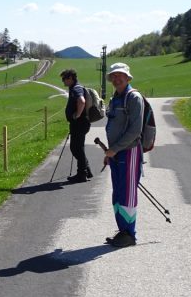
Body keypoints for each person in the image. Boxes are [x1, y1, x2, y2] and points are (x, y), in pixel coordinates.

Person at [102, 62, 144, 247]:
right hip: (116, 153)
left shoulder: (133, 98)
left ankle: (130, 234)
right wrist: (110, 152)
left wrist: (115, 149)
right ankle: (122, 230)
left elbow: (135, 130)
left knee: (127, 193)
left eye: (121, 75)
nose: (117, 78)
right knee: (118, 192)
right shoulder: (115, 99)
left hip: (129, 152)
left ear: (128, 78)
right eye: (114, 76)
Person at [59, 68, 92, 182]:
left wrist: (77, 115)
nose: (63, 81)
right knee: (78, 148)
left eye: (64, 79)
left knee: (75, 148)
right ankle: (85, 171)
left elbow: (82, 101)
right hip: (80, 123)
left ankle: (82, 173)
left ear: (70, 78)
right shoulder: (74, 88)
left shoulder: (76, 88)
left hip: (79, 123)